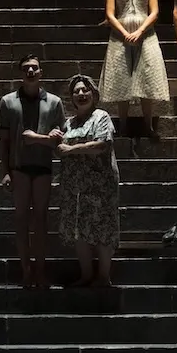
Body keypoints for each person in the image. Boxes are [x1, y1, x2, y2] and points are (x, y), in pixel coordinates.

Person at [0, 55, 67, 289]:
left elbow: (61, 136)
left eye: (34, 68)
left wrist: (49, 137)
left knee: (41, 220)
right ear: (20, 73)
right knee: (21, 219)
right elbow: (4, 141)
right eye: (26, 68)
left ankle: (40, 271)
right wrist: (5, 171)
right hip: (19, 167)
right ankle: (26, 270)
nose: (30, 72)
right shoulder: (8, 102)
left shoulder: (54, 102)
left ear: (41, 72)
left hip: (43, 166)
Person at [99, 0, 171, 140]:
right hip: (120, 36)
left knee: (146, 78)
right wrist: (124, 33)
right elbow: (110, 14)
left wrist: (139, 31)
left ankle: (148, 125)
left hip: (145, 35)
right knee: (122, 78)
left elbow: (154, 12)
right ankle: (122, 125)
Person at [57, 75, 119, 287]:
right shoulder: (68, 123)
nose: (81, 94)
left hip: (100, 184)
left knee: (103, 227)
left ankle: (103, 276)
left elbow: (102, 144)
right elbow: (59, 147)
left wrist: (71, 149)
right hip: (75, 186)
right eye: (77, 91)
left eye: (85, 90)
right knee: (79, 229)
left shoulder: (101, 117)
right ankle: (86, 275)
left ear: (94, 93)